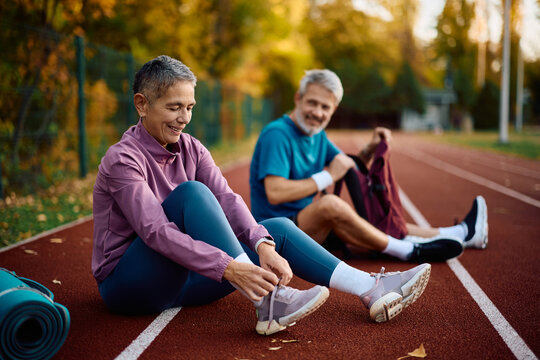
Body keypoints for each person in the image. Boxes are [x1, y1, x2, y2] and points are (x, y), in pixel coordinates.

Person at [91, 56, 433, 336]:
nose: (185, 119)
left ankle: (370, 288)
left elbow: (227, 199)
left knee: (276, 229)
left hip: (186, 280)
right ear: (142, 104)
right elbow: (155, 232)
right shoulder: (122, 159)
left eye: (190, 107)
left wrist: (261, 244)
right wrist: (229, 267)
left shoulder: (192, 148)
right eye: (174, 108)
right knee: (192, 193)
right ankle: (269, 301)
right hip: (130, 286)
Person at [249, 69, 488, 263]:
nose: (318, 113)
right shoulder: (277, 134)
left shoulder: (316, 135)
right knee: (330, 204)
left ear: (334, 110)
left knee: (369, 220)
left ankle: (459, 234)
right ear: (298, 99)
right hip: (273, 236)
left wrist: (369, 149)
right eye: (312, 103)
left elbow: (351, 167)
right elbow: (275, 192)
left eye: (326, 107)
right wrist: (327, 177)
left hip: (301, 226)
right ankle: (405, 250)